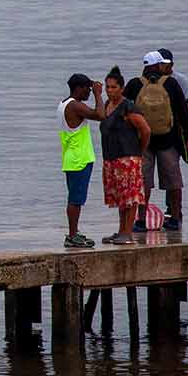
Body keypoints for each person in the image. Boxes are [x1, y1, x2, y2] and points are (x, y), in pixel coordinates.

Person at [131, 52, 188, 231]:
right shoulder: (171, 84)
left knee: (143, 182)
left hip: (143, 142)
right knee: (173, 181)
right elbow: (183, 112)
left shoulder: (135, 84)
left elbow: (124, 110)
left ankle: (141, 221)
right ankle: (175, 218)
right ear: (159, 66)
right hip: (169, 141)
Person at [99, 68, 151, 245]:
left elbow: (145, 130)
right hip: (112, 158)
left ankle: (127, 232)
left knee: (131, 196)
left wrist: (140, 151)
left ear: (121, 88)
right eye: (107, 87)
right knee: (120, 197)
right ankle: (121, 230)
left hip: (128, 157)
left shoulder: (128, 107)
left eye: (113, 87)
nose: (110, 90)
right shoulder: (107, 105)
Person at [58, 74, 104, 248]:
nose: (89, 92)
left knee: (75, 198)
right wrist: (99, 94)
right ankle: (71, 236)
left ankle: (74, 232)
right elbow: (101, 115)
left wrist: (92, 87)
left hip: (72, 157)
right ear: (78, 88)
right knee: (76, 199)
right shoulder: (75, 106)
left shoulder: (63, 104)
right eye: (87, 89)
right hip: (79, 159)